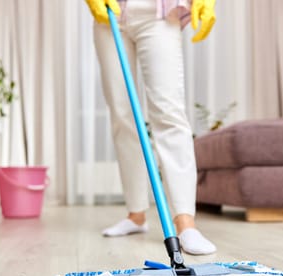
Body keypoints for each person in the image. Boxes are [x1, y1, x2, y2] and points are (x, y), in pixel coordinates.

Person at [85, 0, 217, 255]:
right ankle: (136, 215)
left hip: (159, 13)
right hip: (110, 14)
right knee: (123, 115)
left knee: (168, 113)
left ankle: (185, 222)